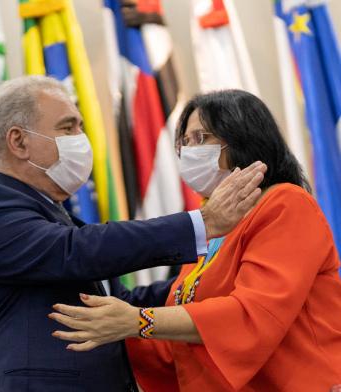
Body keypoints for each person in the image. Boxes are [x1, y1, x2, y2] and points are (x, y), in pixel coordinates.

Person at [0, 77, 266, 392]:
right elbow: (75, 251)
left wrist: (219, 274)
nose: (81, 138)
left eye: (81, 127)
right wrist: (200, 223)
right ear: (18, 142)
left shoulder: (57, 216)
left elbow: (120, 303)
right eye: (67, 127)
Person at [50, 90, 341, 391]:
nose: (189, 150)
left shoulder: (286, 204)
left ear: (243, 140)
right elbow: (184, 337)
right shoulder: (213, 227)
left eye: (201, 138)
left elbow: (252, 314)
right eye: (185, 142)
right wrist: (108, 329)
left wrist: (139, 321)